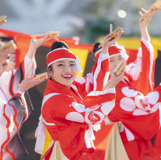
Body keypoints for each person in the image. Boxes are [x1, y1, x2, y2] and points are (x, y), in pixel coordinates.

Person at [93, 8, 161, 160]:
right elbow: (147, 104)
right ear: (103, 64)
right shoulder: (113, 86)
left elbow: (145, 62)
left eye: (120, 58)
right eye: (110, 60)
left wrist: (143, 28)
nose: (117, 63)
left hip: (135, 140)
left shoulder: (123, 77)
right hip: (127, 144)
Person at [37, 32, 124, 160]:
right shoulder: (56, 100)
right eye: (60, 65)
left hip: (78, 149)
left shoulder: (73, 87)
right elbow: (91, 117)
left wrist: (104, 48)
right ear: (49, 72)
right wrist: (111, 87)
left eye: (71, 64)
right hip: (69, 153)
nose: (68, 70)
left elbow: (95, 82)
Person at [0, 22, 52, 159]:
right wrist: (21, 91)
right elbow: (5, 116)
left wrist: (32, 48)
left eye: (4, 64)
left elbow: (21, 76)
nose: (0, 69)